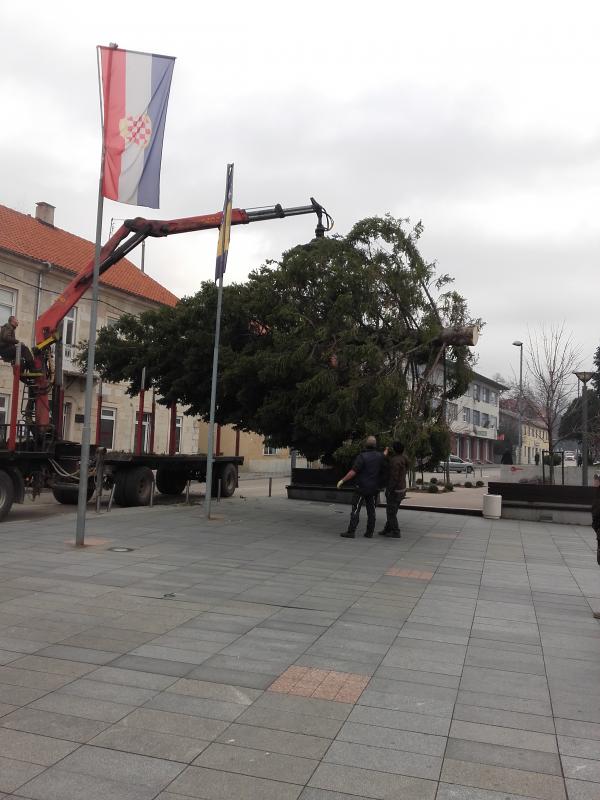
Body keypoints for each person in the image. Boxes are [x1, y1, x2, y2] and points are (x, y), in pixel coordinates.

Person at [337, 435, 385, 538]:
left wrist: (342, 480)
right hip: (373, 488)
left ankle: (351, 531)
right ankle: (369, 532)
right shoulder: (380, 456)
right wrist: (387, 450)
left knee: (356, 509)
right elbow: (384, 456)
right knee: (371, 510)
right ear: (375, 445)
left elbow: (353, 471)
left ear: (365, 445)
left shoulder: (362, 457)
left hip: (361, 487)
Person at [379, 440, 410, 538]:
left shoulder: (395, 461)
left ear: (394, 449)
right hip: (402, 489)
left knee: (391, 512)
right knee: (393, 510)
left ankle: (396, 531)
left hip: (395, 490)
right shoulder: (404, 459)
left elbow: (394, 478)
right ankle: (387, 529)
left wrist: (389, 490)